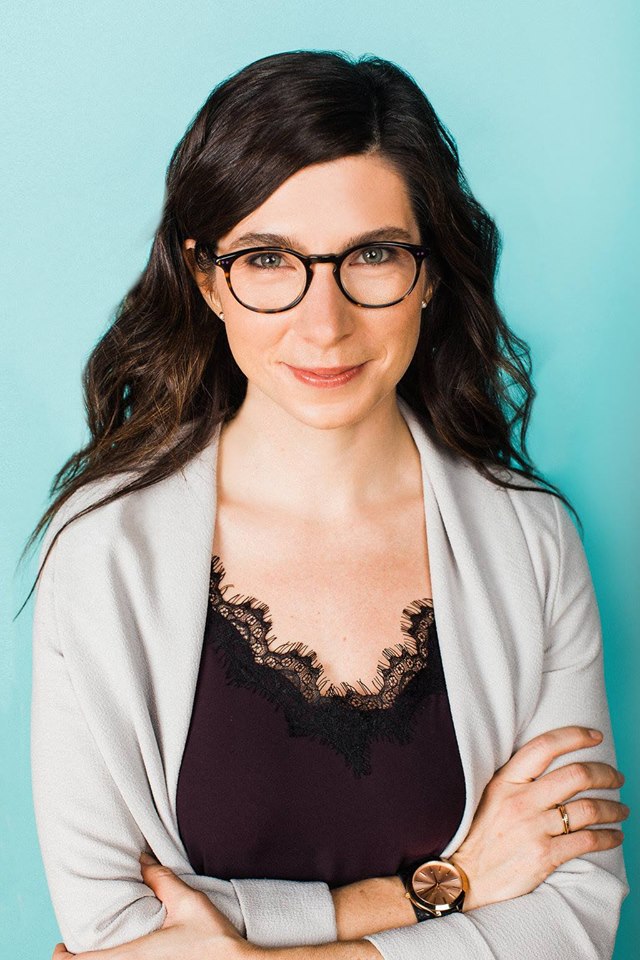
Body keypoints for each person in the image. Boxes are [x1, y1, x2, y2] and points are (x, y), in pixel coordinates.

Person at [23, 50, 629, 960]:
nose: (324, 322)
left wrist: (237, 945)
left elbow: (575, 914)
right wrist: (448, 890)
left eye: (373, 255)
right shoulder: (104, 550)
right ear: (206, 277)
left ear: (429, 272)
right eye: (269, 259)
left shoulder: (530, 538)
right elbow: (115, 932)